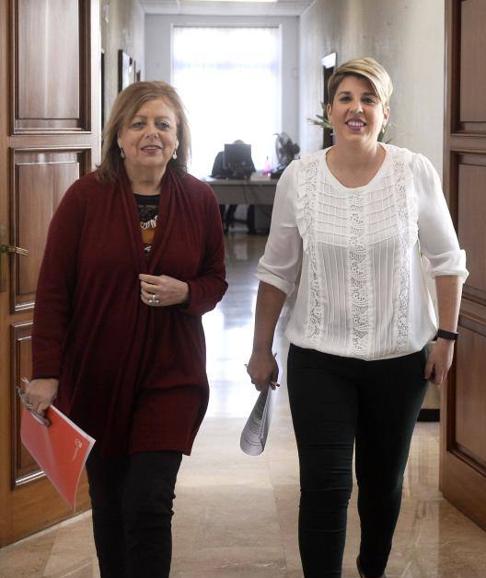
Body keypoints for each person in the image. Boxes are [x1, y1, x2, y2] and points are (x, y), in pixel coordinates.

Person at [246, 57, 468, 578]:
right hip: (319, 359)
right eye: (345, 98)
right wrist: (260, 349)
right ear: (329, 111)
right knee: (324, 485)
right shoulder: (298, 179)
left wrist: (447, 337)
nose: (356, 109)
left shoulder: (413, 171)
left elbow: (448, 260)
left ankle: (372, 569)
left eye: (368, 99)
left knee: (383, 482)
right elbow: (277, 271)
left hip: (400, 361)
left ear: (384, 113)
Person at [20, 81, 227, 578]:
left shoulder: (199, 199)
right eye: (138, 123)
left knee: (150, 502)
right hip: (97, 376)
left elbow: (216, 280)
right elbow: (53, 291)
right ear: (118, 136)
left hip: (171, 375)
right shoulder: (84, 198)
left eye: (163, 124)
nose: (150, 133)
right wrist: (47, 372)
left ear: (178, 139)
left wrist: (187, 293)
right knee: (110, 503)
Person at [211, 140, 256, 233]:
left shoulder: (246, 156)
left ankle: (249, 226)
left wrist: (243, 172)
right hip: (222, 187)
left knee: (247, 197)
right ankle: (221, 225)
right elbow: (214, 172)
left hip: (239, 187)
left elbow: (253, 170)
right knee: (221, 200)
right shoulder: (221, 155)